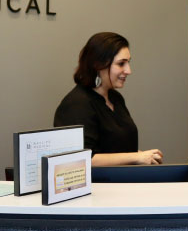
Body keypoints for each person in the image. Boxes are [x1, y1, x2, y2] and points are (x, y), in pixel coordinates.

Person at [54, 32, 163, 166]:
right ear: (99, 65)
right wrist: (137, 157)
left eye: (128, 63)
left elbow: (117, 148)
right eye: (121, 64)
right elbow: (84, 158)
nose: (128, 70)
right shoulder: (76, 104)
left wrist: (145, 157)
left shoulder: (115, 98)